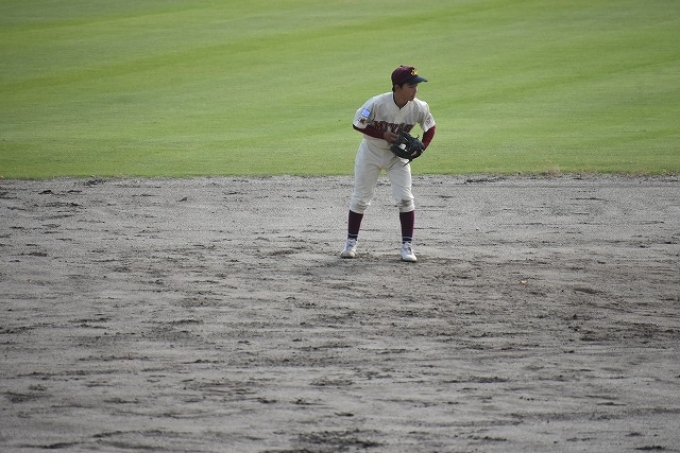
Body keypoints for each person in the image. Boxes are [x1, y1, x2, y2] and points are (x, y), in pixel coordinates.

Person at [340, 65, 436, 262]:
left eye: (416, 86)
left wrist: (422, 147)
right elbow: (358, 123)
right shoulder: (376, 103)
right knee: (360, 199)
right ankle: (350, 243)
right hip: (371, 153)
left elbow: (430, 127)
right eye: (411, 86)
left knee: (405, 199)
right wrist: (382, 134)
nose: (415, 90)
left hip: (397, 157)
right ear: (397, 88)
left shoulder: (419, 107)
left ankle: (407, 246)